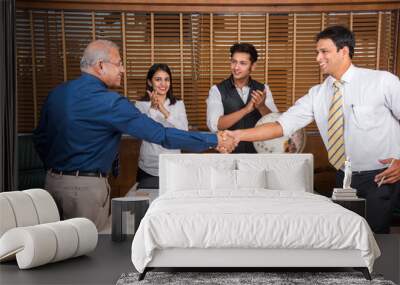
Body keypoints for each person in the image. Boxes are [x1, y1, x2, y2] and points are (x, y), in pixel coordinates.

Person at [33, 39, 236, 230]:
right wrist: (214, 139)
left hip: (51, 184)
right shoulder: (111, 103)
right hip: (85, 192)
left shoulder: (57, 93)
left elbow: (40, 138)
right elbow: (161, 135)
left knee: (56, 248)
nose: (123, 69)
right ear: (101, 65)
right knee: (85, 254)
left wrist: (58, 171)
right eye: (119, 63)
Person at [226, 25, 400, 233]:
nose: (318, 58)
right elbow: (281, 125)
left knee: (375, 237)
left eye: (324, 51)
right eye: (317, 52)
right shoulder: (317, 94)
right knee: (343, 236)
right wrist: (237, 135)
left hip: (381, 176)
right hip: (343, 176)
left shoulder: (381, 82)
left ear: (343, 51)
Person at [206, 43, 278, 153]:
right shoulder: (216, 90)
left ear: (253, 66)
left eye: (242, 63)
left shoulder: (263, 89)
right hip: (228, 153)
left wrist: (262, 106)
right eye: (234, 62)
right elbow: (216, 125)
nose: (236, 67)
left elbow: (275, 124)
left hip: (259, 154)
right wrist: (246, 110)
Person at [135, 63, 188, 189]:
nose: (163, 84)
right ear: (149, 82)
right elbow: (147, 131)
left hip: (174, 164)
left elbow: (184, 131)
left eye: (166, 79)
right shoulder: (140, 105)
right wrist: (153, 109)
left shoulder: (178, 104)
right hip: (148, 166)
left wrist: (163, 110)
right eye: (158, 79)